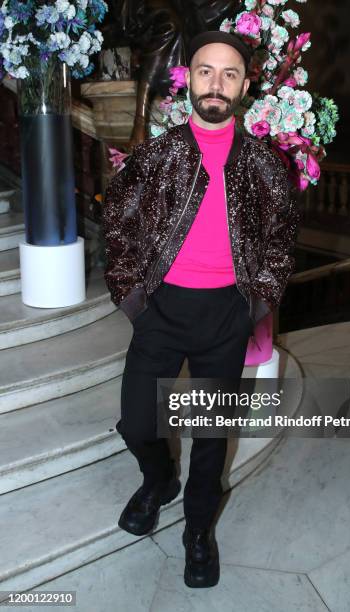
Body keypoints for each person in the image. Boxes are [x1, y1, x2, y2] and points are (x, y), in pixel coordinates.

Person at [102, 30, 301, 588]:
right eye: (206, 71)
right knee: (140, 421)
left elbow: (281, 240)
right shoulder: (157, 155)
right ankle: (158, 478)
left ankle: (196, 532)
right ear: (188, 78)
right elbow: (117, 225)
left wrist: (256, 302)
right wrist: (135, 301)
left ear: (244, 86)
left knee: (211, 439)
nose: (217, 84)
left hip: (226, 316)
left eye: (230, 73)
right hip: (160, 312)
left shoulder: (263, 165)